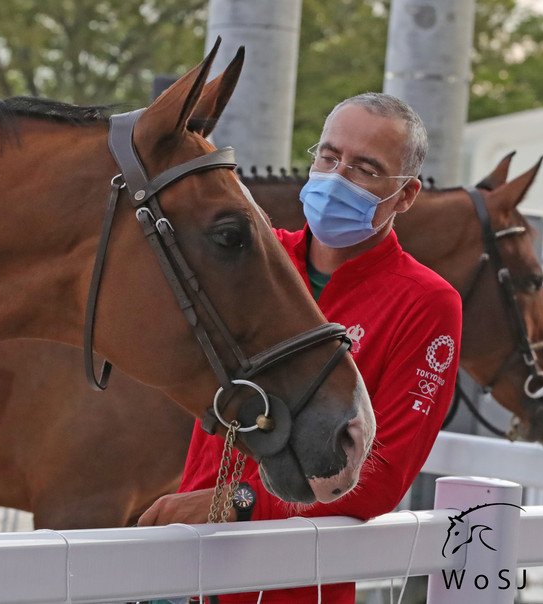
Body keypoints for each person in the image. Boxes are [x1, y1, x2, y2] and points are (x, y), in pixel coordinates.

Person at [137, 92, 463, 603]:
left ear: (405, 196)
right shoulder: (252, 260)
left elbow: (379, 476)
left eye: (365, 169)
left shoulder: (427, 303)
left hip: (293, 585)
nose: (336, 178)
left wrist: (238, 503)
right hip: (183, 563)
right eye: (329, 156)